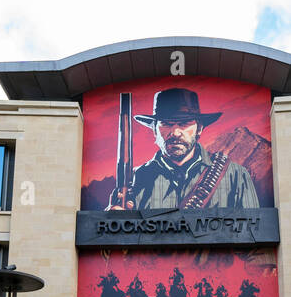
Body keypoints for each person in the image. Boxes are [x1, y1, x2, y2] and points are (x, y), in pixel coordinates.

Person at [107, 88, 260, 212]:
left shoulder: (235, 175)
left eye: (185, 123)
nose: (175, 132)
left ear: (199, 128)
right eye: (166, 124)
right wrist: (112, 222)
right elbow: (115, 243)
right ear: (154, 130)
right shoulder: (135, 179)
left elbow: (255, 237)